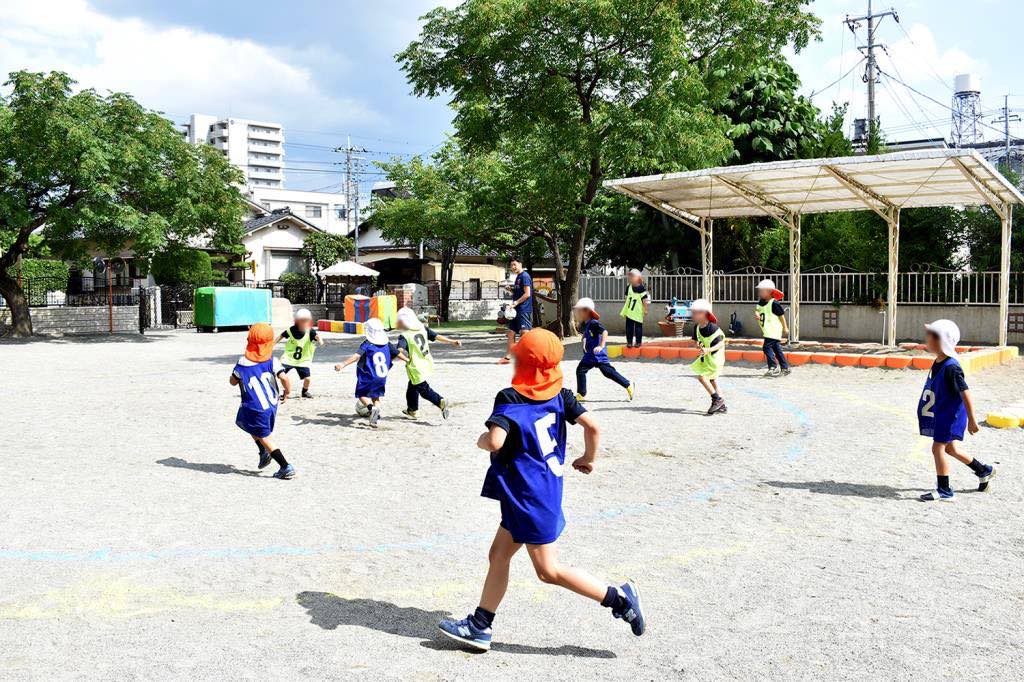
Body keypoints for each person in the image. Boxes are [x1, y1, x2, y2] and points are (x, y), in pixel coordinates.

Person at [437, 328, 645, 651]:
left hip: (529, 498)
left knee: (548, 571)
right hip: (535, 492)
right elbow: (593, 426)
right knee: (499, 554)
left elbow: (494, 441)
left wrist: (481, 441)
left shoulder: (511, 398)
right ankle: (480, 625)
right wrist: (588, 458)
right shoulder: (560, 394)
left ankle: (619, 599)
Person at [917, 319, 995, 502]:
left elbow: (965, 393)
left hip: (950, 416)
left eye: (932, 336)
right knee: (950, 448)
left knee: (938, 448)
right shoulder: (939, 361)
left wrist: (972, 420)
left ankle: (944, 490)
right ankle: (983, 470)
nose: (927, 339)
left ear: (942, 341)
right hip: (943, 413)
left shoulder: (951, 367)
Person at [229, 323, 295, 479]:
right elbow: (284, 378)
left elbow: (233, 381)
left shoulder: (242, 362)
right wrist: (287, 391)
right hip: (271, 405)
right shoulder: (273, 360)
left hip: (255, 406)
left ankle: (285, 466)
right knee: (247, 422)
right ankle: (263, 450)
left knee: (265, 436)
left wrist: (237, 377)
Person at [334, 318, 408, 428]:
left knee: (361, 395)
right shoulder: (387, 343)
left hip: (368, 375)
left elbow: (357, 356)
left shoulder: (367, 343)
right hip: (382, 377)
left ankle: (370, 408)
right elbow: (397, 353)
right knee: (376, 397)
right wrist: (407, 360)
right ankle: (374, 416)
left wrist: (343, 364)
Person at [395, 307, 462, 420]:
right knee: (412, 387)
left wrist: (391, 356)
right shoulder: (421, 328)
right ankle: (412, 410)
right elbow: (436, 336)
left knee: (424, 390)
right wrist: (452, 341)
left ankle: (440, 401)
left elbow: (399, 351)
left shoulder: (404, 336)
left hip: (415, 367)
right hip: (426, 362)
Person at [572, 297, 635, 402]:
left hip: (596, 355)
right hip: (591, 355)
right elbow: (590, 335)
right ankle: (581, 394)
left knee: (603, 372)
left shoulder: (593, 323)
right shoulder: (587, 324)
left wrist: (601, 346)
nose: (577, 313)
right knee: (586, 370)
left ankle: (628, 384)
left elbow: (604, 332)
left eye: (579, 310)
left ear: (587, 311)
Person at [689, 299, 727, 415]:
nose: (693, 315)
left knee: (702, 378)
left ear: (704, 313)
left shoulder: (713, 328)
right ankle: (722, 406)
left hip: (716, 358)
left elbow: (721, 343)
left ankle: (716, 399)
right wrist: (698, 346)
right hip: (707, 358)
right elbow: (695, 341)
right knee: (713, 380)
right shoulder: (697, 327)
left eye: (695, 312)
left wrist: (708, 350)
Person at [277, 308, 324, 398]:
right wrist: (273, 343)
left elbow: (317, 336)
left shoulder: (310, 331)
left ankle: (304, 392)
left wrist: (320, 340)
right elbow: (282, 335)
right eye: (301, 321)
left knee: (308, 379)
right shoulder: (292, 330)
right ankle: (284, 390)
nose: (303, 322)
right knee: (279, 374)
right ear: (297, 321)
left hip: (303, 360)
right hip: (289, 358)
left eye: (306, 320)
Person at [754, 278, 790, 377]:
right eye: (759, 290)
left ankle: (773, 367)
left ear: (769, 292)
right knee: (777, 350)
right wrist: (756, 314)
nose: (759, 292)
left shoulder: (774, 303)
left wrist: (785, 328)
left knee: (766, 347)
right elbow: (757, 309)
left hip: (773, 330)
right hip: (767, 331)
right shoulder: (761, 302)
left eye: (762, 290)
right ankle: (785, 368)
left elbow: (781, 316)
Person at [500, 258, 533, 363]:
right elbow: (518, 293)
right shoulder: (518, 277)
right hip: (515, 310)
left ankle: (530, 357)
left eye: (514, 265)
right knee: (511, 333)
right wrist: (511, 290)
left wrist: (516, 303)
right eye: (511, 265)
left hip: (523, 309)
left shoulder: (525, 276)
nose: (513, 267)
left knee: (525, 333)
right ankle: (508, 357)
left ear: (520, 264)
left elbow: (527, 294)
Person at [620, 268, 651, 348]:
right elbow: (626, 298)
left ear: (637, 278)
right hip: (630, 311)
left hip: (638, 312)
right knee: (628, 328)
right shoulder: (628, 287)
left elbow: (645, 300)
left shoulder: (641, 288)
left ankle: (638, 342)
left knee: (638, 328)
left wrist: (646, 309)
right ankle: (629, 342)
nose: (630, 278)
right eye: (630, 276)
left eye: (632, 276)